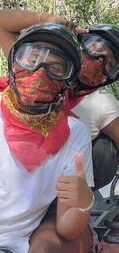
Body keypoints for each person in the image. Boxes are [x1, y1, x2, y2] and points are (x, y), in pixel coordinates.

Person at [0, 9, 119, 252]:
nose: (99, 61)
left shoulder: (97, 107)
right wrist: (47, 21)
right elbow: (3, 21)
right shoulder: (36, 65)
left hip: (55, 198)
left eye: (109, 63)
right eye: (95, 47)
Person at [0, 23, 94, 253]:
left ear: (67, 82)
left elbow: (67, 228)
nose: (40, 71)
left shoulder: (74, 134)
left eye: (55, 67)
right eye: (31, 60)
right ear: (14, 64)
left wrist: (83, 202)